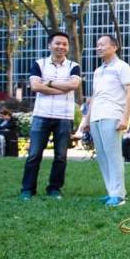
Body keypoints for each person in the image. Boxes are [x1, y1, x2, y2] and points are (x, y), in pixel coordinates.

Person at [20, 31, 82, 201]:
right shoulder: (38, 64)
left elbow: (74, 85)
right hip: (42, 115)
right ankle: (27, 189)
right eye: (57, 43)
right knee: (34, 154)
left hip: (64, 116)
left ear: (68, 47)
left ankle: (54, 188)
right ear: (50, 45)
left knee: (61, 156)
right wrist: (62, 87)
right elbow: (35, 87)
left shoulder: (73, 66)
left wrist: (48, 82)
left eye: (64, 44)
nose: (61, 47)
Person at [81, 35, 130, 207]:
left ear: (114, 47)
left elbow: (129, 93)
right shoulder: (98, 71)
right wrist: (86, 121)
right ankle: (111, 191)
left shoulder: (122, 67)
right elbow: (94, 97)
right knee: (103, 157)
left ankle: (119, 195)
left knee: (113, 156)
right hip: (96, 116)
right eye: (97, 45)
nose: (99, 48)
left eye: (103, 45)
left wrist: (125, 117)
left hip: (113, 114)